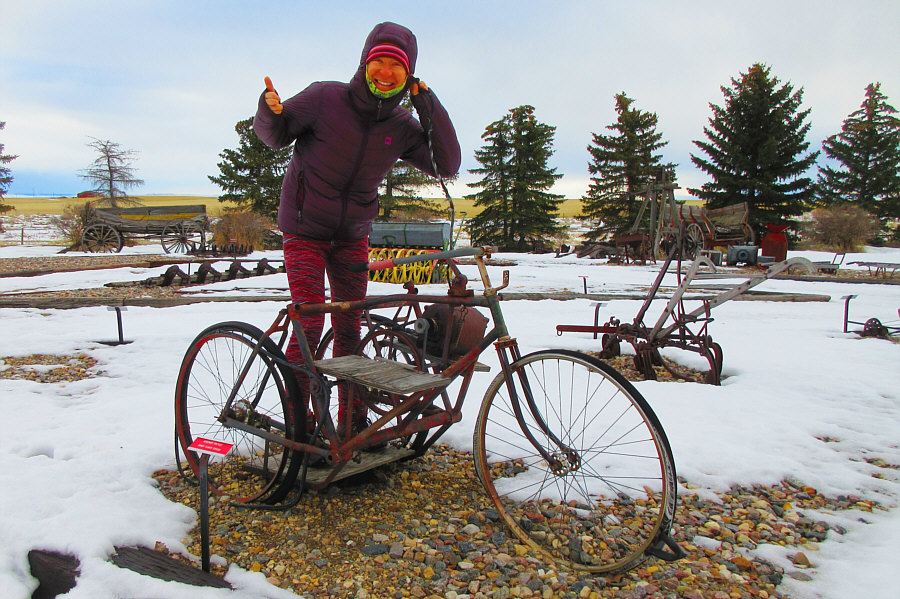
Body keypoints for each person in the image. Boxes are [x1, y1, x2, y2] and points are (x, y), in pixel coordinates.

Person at [253, 21, 461, 436]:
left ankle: (352, 419)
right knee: (310, 320)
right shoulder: (325, 98)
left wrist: (428, 105)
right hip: (304, 230)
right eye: (379, 61)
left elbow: (447, 164)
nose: (386, 73)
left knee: (350, 326)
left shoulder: (402, 125)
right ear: (365, 62)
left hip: (351, 235)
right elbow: (275, 134)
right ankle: (299, 418)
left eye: (396, 67)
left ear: (408, 76)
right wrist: (268, 107)